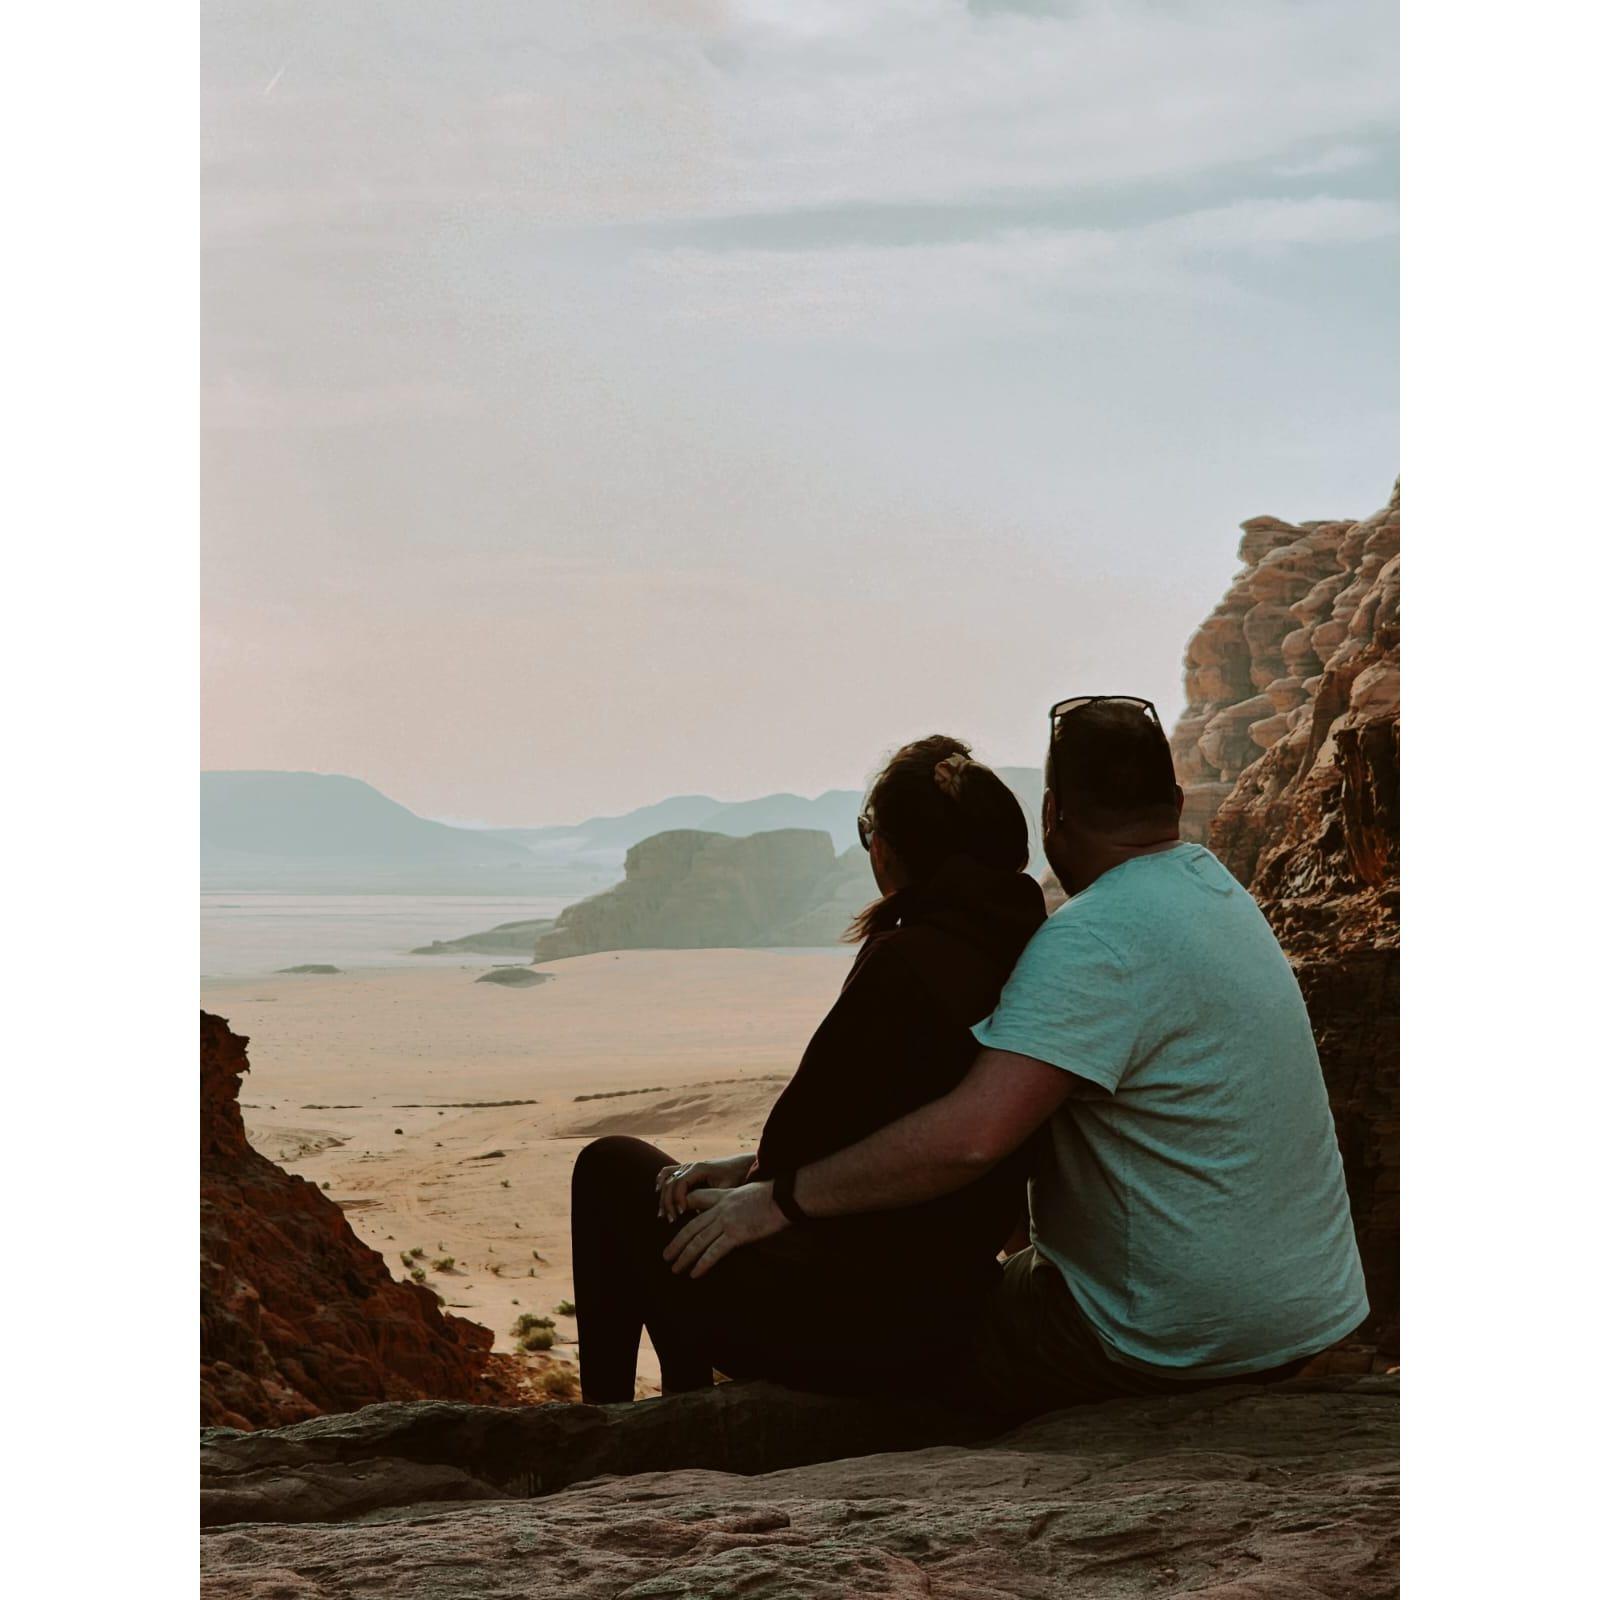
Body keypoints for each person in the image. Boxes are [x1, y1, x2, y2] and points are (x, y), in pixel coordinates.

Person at [666, 696, 1369, 1421]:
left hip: (1168, 1336)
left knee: (922, 1336)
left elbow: (972, 1140)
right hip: (1303, 1312)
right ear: (1178, 803)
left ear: (1053, 814)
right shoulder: (1220, 894)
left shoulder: (1093, 937)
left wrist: (779, 1199)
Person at [570, 735, 1048, 1403]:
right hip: (948, 1303)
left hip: (852, 1322)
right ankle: (684, 1403)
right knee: (687, 1205)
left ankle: (606, 1422)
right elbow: (886, 1128)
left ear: (888, 851)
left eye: (869, 832)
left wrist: (759, 1176)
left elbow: (801, 1143)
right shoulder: (1030, 947)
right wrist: (745, 1166)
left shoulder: (907, 961)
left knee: (609, 1169)